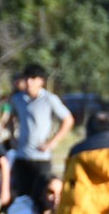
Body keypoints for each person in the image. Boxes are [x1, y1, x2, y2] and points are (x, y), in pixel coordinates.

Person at [8, 65, 73, 199]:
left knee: (42, 197)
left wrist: (52, 142)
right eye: (26, 78)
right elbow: (10, 118)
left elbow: (68, 120)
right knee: (22, 198)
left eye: (33, 78)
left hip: (41, 158)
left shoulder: (50, 99)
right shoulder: (17, 99)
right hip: (22, 156)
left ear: (41, 81)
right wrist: (12, 137)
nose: (29, 82)